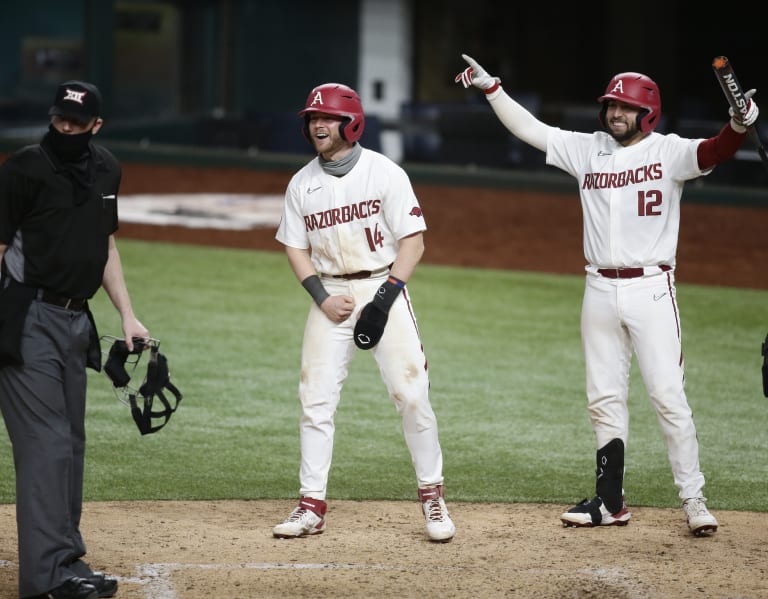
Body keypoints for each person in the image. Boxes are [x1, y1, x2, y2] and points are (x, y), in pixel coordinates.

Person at [455, 55, 760, 536]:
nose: (615, 114)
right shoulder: (586, 149)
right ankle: (610, 501)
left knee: (667, 396)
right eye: (611, 106)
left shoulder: (668, 151)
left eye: (626, 107)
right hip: (598, 288)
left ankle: (694, 498)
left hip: (651, 289)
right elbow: (530, 129)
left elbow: (715, 151)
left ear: (649, 113)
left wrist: (740, 125)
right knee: (604, 398)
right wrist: (492, 88)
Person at [273, 82, 456, 543]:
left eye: (327, 117)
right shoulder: (302, 183)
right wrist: (321, 297)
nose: (318, 124)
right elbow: (295, 248)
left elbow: (413, 242)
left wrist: (385, 297)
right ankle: (311, 504)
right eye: (313, 118)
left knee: (411, 394)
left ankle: (432, 495)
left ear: (350, 122)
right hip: (330, 294)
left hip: (382, 286)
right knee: (314, 400)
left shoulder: (384, 173)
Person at [0, 80, 149, 598]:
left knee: (71, 446)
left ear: (96, 126)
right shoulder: (24, 167)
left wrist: (127, 315)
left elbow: (104, 244)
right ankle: (44, 580)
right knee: (46, 446)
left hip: (75, 322)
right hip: (26, 318)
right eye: (59, 120)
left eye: (76, 123)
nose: (65, 129)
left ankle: (66, 559)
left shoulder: (107, 169)